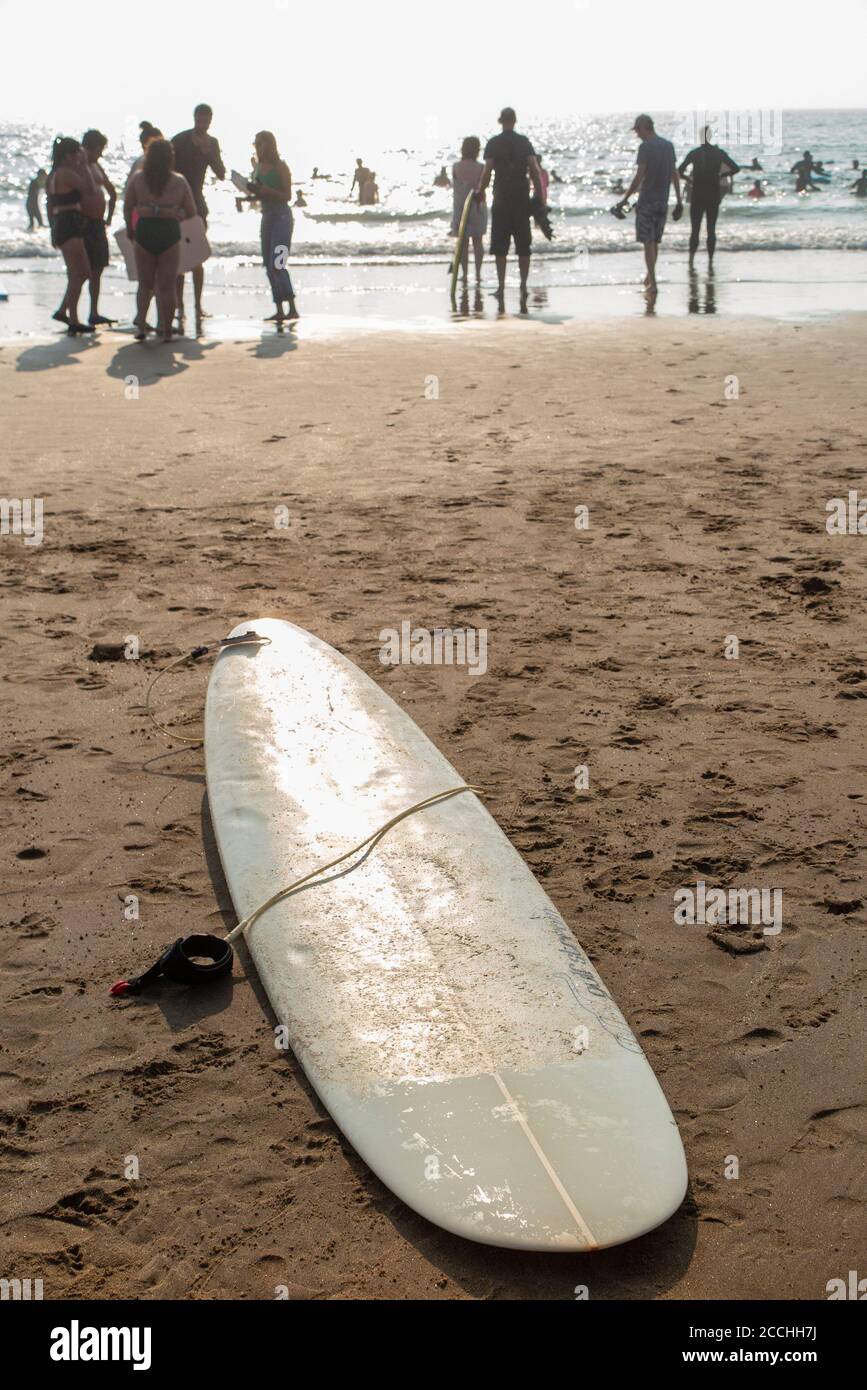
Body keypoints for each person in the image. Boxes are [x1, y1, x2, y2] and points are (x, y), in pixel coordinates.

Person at [124, 137, 195, 343]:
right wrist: (172, 212)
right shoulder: (179, 181)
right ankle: (164, 328)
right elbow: (191, 212)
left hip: (145, 229)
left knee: (145, 284)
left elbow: (128, 205)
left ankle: (142, 327)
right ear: (170, 158)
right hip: (168, 232)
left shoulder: (138, 179)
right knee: (167, 285)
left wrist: (130, 227)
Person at [476, 107, 545, 311]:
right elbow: (534, 169)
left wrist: (481, 192)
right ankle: (523, 285)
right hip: (521, 197)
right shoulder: (524, 142)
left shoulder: (493, 143)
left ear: (500, 121)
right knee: (524, 243)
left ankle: (501, 286)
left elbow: (488, 171)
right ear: (514, 121)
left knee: (500, 244)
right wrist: (540, 197)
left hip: (501, 197)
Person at [614, 114, 682, 295]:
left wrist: (625, 199)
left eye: (637, 130)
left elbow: (639, 176)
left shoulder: (645, 148)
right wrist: (680, 200)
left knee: (648, 241)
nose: (637, 134)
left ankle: (653, 282)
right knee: (655, 242)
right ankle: (650, 277)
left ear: (645, 127)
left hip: (647, 201)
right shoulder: (668, 146)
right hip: (663, 201)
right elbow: (675, 174)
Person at [171, 104, 225, 329]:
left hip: (198, 205)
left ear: (211, 121)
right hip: (177, 204)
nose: (203, 124)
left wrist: (208, 153)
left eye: (207, 120)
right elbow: (169, 171)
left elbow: (221, 174)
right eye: (200, 119)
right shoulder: (180, 140)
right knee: (179, 259)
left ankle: (197, 305)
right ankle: (179, 307)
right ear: (194, 118)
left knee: (198, 257)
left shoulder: (212, 143)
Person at [238, 130, 298, 323]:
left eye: (260, 144)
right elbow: (260, 195)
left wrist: (265, 190)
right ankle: (279, 308)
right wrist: (247, 194)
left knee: (278, 262)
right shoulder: (258, 167)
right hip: (267, 216)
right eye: (255, 144)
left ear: (270, 145)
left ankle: (292, 307)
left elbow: (287, 195)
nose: (257, 147)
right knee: (268, 263)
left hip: (282, 216)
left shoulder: (281, 167)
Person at [46, 137, 98, 334]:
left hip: (62, 222)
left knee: (75, 273)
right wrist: (85, 166)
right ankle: (73, 319)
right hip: (69, 222)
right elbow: (90, 190)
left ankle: (64, 311)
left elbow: (50, 206)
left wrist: (52, 229)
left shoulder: (53, 175)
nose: (79, 157)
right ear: (68, 155)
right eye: (77, 153)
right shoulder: (66, 173)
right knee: (82, 272)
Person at [677, 126, 739, 266]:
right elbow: (736, 168)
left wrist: (689, 180)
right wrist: (721, 175)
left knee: (695, 229)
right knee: (711, 229)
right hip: (713, 193)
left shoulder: (694, 153)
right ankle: (710, 261)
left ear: (700, 137)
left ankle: (691, 260)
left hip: (697, 193)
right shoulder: (718, 153)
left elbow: (679, 171)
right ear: (711, 137)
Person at [78, 130, 117, 326]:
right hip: (84, 223)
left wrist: (109, 215)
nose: (100, 153)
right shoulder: (79, 166)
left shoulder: (96, 166)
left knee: (98, 267)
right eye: (99, 149)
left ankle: (93, 311)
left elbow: (111, 191)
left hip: (97, 223)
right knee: (82, 270)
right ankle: (71, 312)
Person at [451, 136, 488, 285]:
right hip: (477, 207)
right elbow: (484, 187)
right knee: (478, 242)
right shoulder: (481, 167)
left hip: (460, 207)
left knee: (463, 244)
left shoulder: (455, 167)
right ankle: (478, 274)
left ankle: (465, 274)